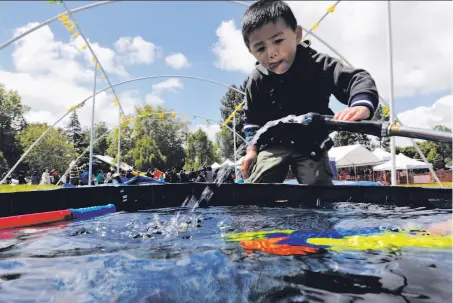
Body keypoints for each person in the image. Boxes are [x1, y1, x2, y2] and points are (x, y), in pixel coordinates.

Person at [239, 0, 379, 186]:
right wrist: (252, 150)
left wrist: (361, 104)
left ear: (297, 35)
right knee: (257, 186)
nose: (271, 53)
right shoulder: (257, 79)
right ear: (251, 52)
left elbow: (357, 79)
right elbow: (252, 120)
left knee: (318, 189)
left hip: (312, 144)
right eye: (261, 48)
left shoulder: (318, 65)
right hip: (273, 144)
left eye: (278, 41)